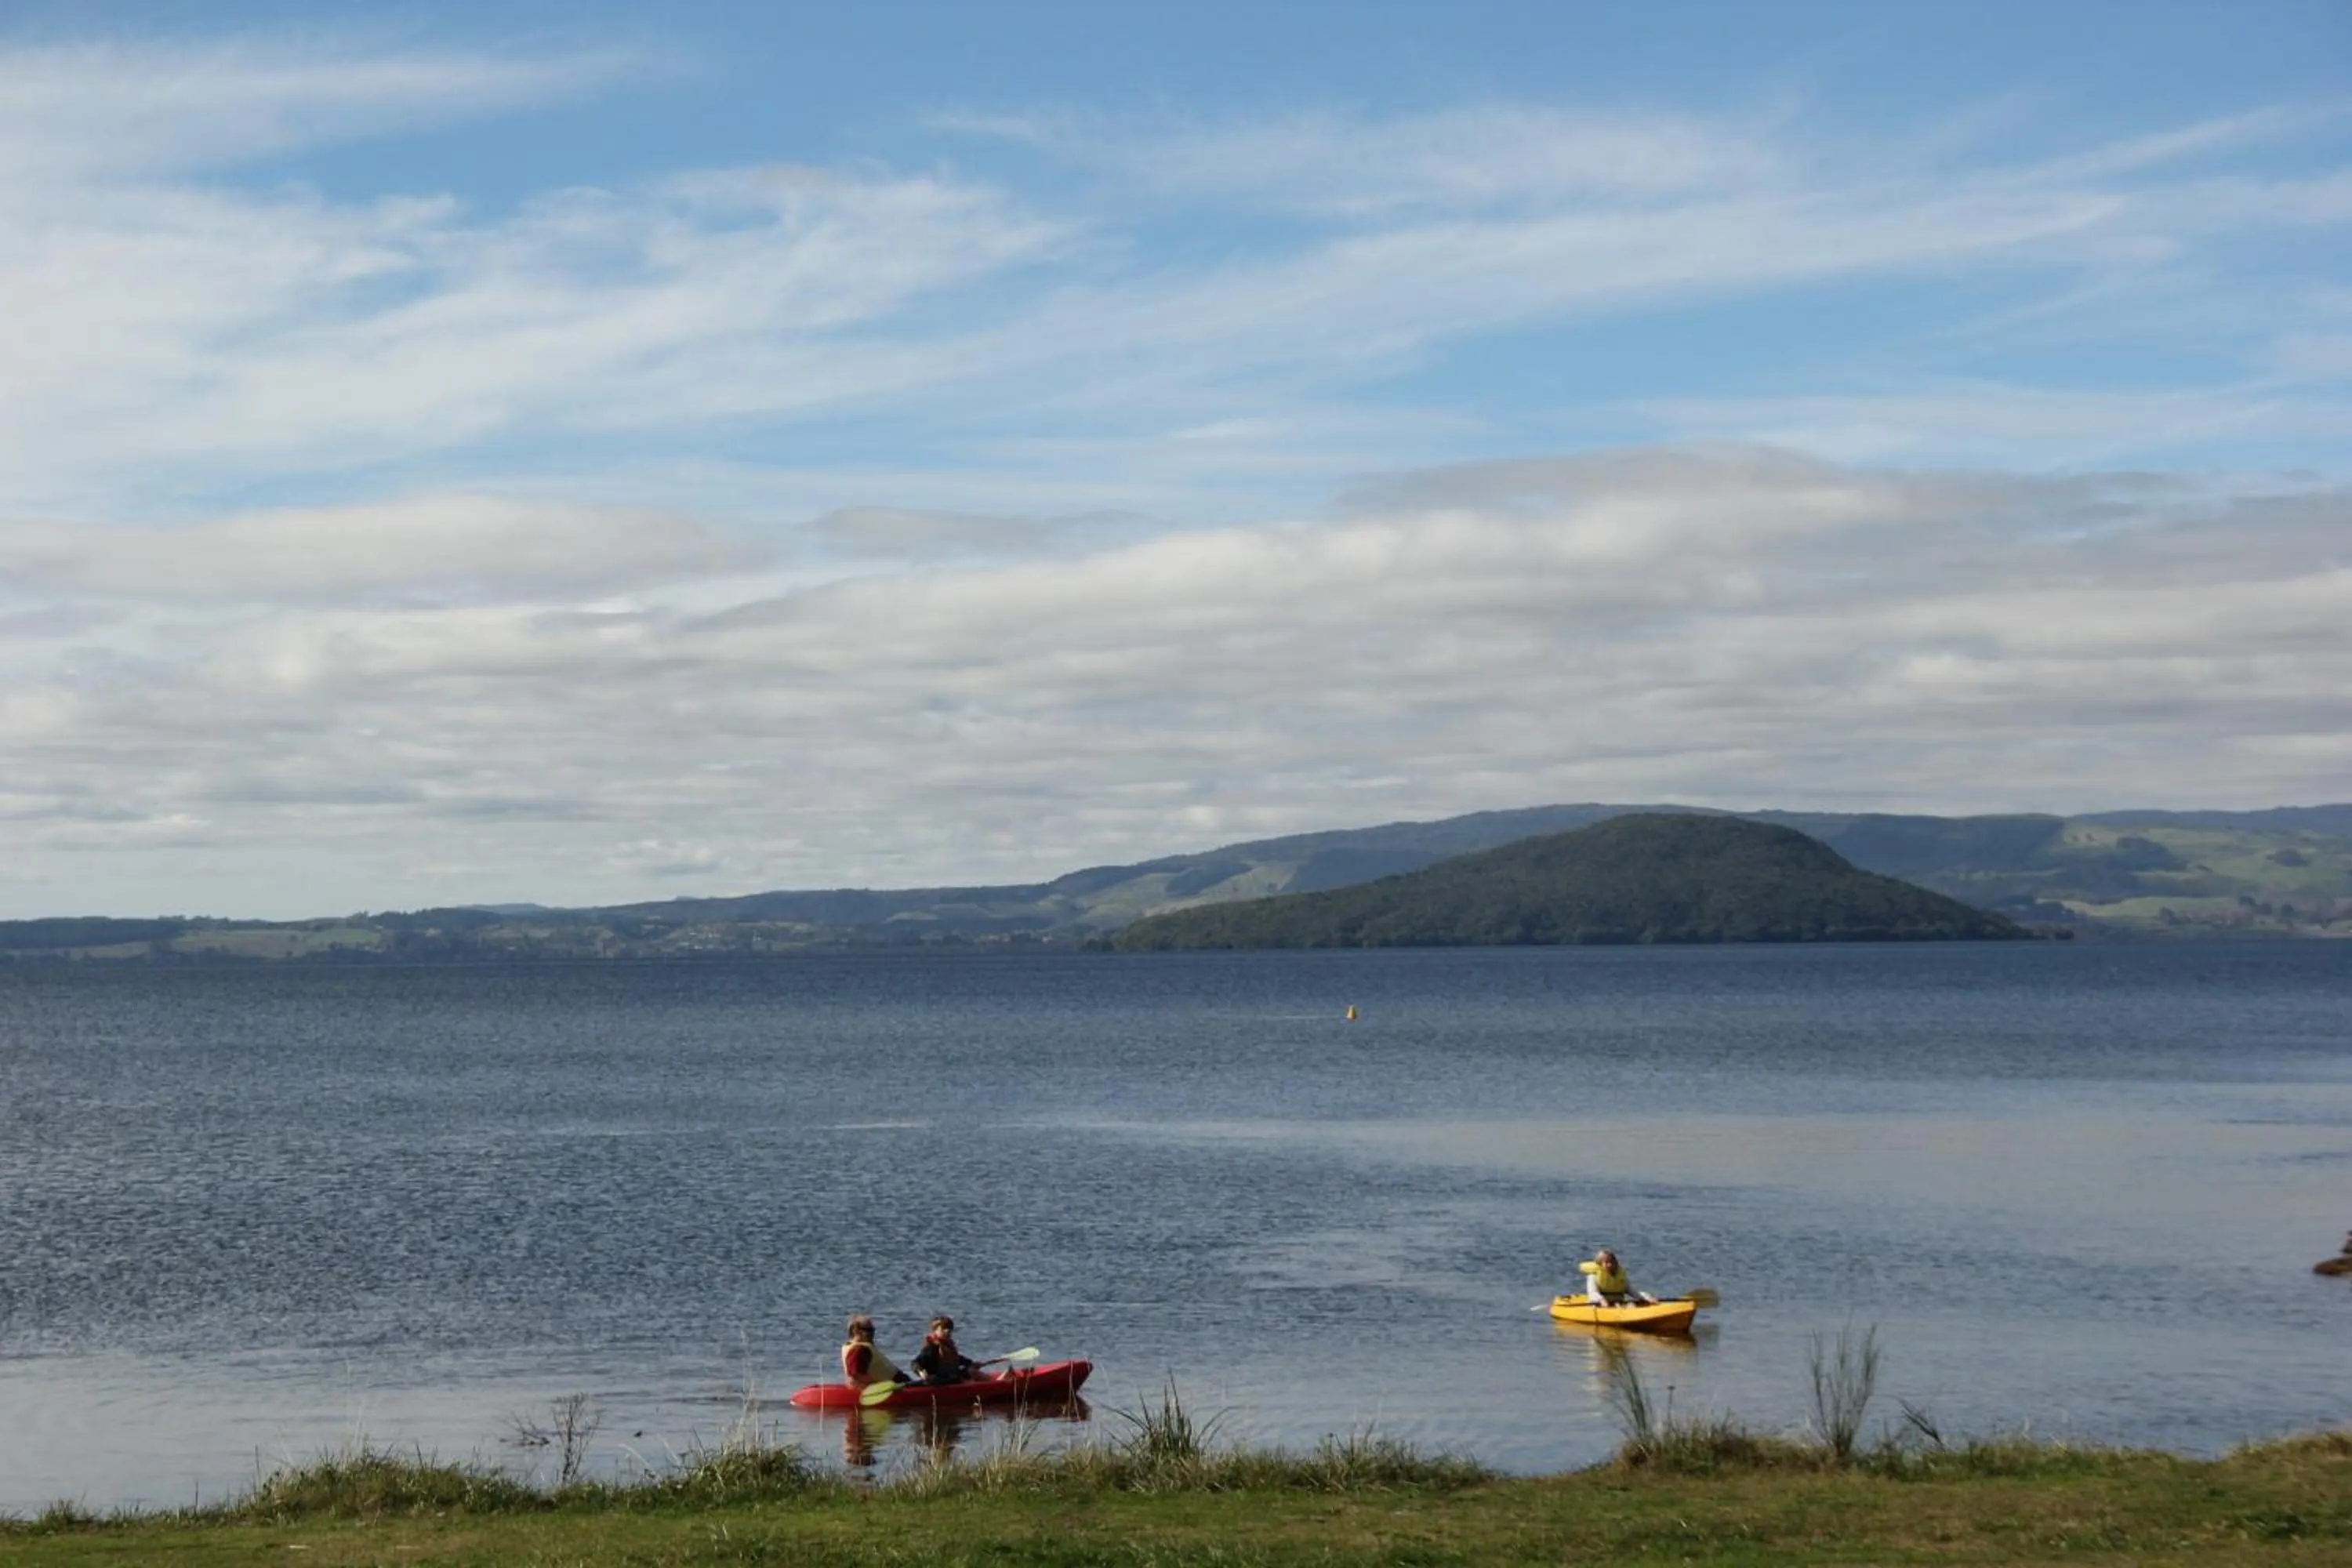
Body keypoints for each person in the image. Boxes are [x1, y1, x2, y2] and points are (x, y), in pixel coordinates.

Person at [840, 1314, 908, 1391]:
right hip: (894, 1387)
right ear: (856, 1330)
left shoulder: (856, 1346)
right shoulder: (860, 1350)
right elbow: (856, 1375)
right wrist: (878, 1386)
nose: (873, 1334)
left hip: (899, 1384)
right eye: (869, 1331)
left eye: (873, 1330)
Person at [910, 1314, 982, 1385]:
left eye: (949, 1328)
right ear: (934, 1331)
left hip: (951, 1376)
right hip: (939, 1380)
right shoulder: (931, 1348)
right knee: (965, 1374)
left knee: (970, 1371)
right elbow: (915, 1363)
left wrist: (971, 1364)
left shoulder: (948, 1346)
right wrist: (921, 1372)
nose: (947, 1331)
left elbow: (957, 1359)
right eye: (943, 1329)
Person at [1578, 1248, 1657, 1306]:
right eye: (1606, 1262)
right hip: (1600, 1305)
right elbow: (1593, 1293)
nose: (1610, 1265)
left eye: (1612, 1262)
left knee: (1631, 1305)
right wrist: (1601, 1300)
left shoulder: (1620, 1276)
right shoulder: (1593, 1276)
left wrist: (1647, 1297)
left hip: (1618, 1304)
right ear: (1600, 1264)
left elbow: (1634, 1292)